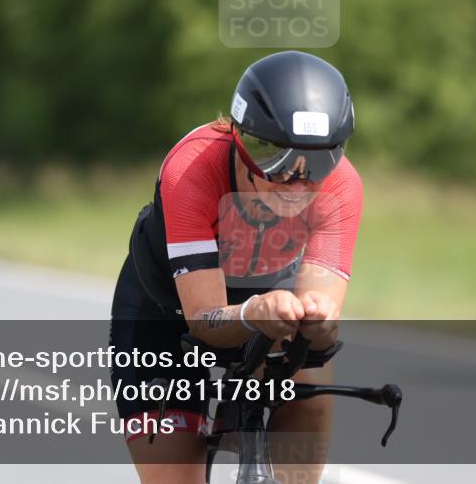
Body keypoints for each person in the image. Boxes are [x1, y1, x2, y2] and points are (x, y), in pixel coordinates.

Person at [110, 50, 363, 483]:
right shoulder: (192, 168)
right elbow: (205, 320)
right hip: (168, 310)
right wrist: (253, 313)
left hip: (271, 305)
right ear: (244, 143)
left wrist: (318, 321)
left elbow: (321, 334)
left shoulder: (342, 188)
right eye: (275, 160)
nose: (296, 182)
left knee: (311, 363)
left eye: (318, 161)